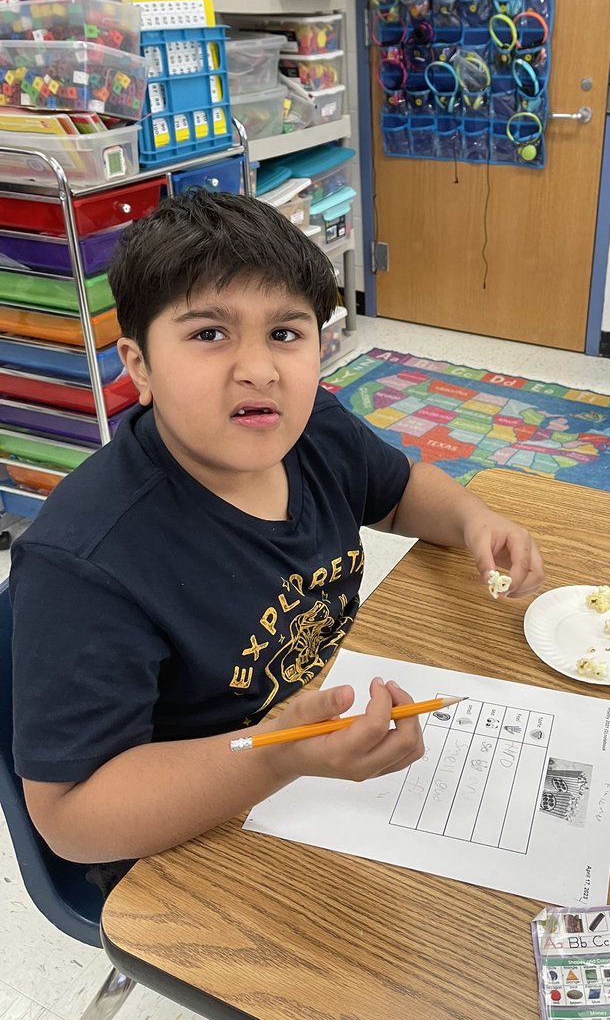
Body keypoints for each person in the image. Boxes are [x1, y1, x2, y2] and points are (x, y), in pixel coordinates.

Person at [10, 191, 545, 875]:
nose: (260, 369)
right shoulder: (87, 562)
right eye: (210, 334)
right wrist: (280, 755)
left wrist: (474, 519)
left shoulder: (312, 427)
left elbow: (399, 491)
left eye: (286, 334)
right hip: (190, 834)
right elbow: (71, 821)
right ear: (139, 366)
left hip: (311, 748)